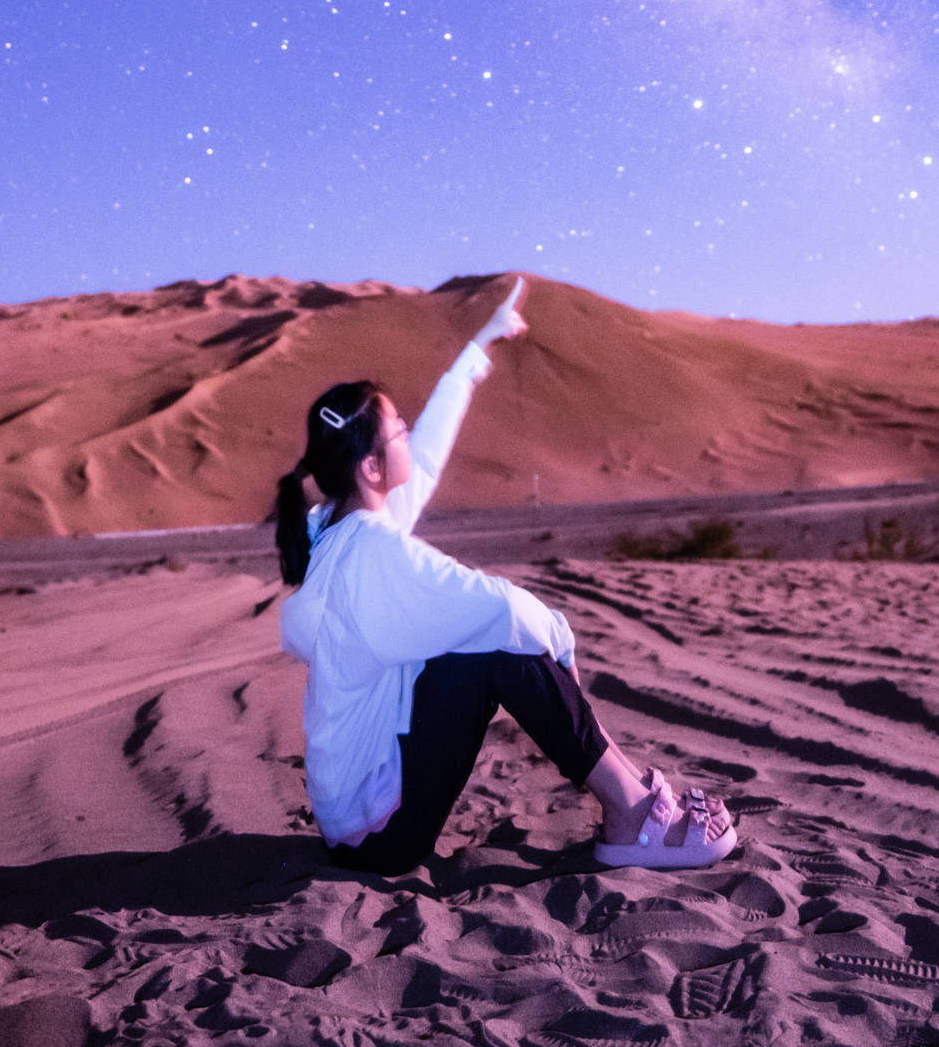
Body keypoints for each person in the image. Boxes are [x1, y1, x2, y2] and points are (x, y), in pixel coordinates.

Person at [275, 275, 737, 873]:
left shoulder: (339, 530)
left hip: (357, 817)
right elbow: (502, 608)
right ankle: (630, 807)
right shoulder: (372, 552)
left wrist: (477, 352)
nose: (409, 437)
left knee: (489, 638)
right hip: (379, 833)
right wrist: (561, 638)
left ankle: (632, 796)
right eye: (398, 433)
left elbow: (430, 453)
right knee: (505, 644)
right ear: (370, 466)